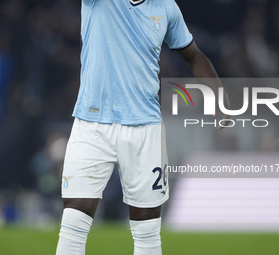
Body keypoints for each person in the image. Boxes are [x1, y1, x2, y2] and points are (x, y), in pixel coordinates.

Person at [56, 0, 230, 254]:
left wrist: (218, 95)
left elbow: (193, 55)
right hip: (92, 124)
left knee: (147, 230)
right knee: (74, 221)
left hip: (145, 128)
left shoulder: (166, 7)